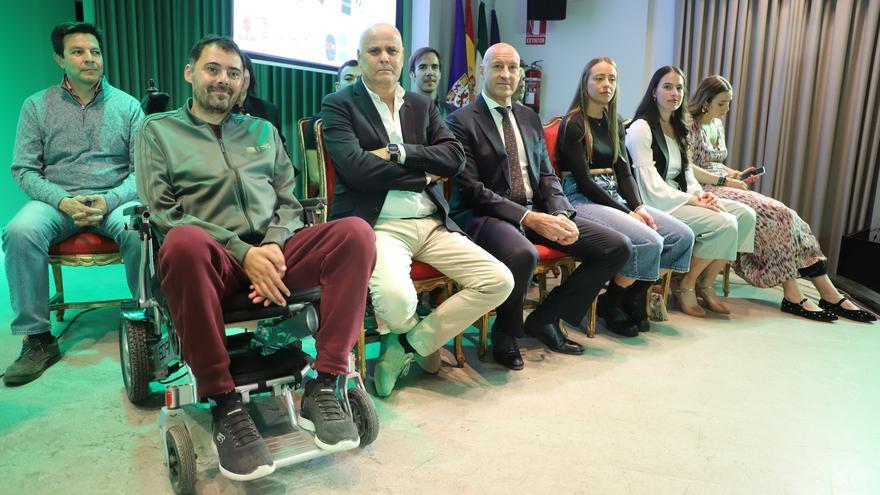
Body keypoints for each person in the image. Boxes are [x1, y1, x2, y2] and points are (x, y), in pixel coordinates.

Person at [135, 35, 377, 481]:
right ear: (189, 72)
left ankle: (325, 381)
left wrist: (272, 248)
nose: (223, 80)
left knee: (356, 234)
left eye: (233, 73)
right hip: (213, 260)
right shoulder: (158, 132)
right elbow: (164, 213)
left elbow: (289, 202)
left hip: (274, 254)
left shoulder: (263, 132)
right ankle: (225, 403)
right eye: (212, 69)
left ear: (243, 81)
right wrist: (243, 253)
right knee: (183, 242)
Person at [322, 24, 513, 396]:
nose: (384, 58)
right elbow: (357, 170)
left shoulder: (423, 105)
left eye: (392, 51)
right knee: (396, 303)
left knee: (499, 280)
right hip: (378, 226)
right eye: (374, 51)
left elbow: (454, 158)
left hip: (431, 223)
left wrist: (398, 152)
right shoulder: (339, 104)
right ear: (360, 58)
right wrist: (423, 174)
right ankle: (415, 332)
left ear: (401, 56)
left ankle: (406, 344)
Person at [447, 43, 631, 369]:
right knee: (523, 254)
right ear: (483, 72)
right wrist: (529, 218)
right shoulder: (460, 121)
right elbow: (472, 190)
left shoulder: (529, 117)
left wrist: (560, 213)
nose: (506, 74)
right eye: (498, 67)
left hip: (537, 211)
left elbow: (547, 175)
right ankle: (505, 333)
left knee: (616, 246)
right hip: (484, 215)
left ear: (520, 73)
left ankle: (546, 318)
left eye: (513, 68)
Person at [2, 22, 143, 386]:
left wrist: (109, 200)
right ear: (59, 59)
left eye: (95, 52)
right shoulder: (36, 106)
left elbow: (143, 172)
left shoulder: (128, 106)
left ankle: (151, 318)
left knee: (140, 227)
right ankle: (37, 338)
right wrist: (62, 200)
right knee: (19, 231)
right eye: (78, 52)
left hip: (112, 199)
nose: (89, 59)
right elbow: (24, 170)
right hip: (57, 201)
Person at [687, 75, 875, 322]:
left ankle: (826, 289)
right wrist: (725, 181)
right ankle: (793, 294)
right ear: (706, 101)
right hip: (704, 189)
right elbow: (688, 166)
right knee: (776, 217)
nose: (727, 109)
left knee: (788, 216)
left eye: (728, 103)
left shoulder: (716, 125)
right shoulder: (689, 125)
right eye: (722, 103)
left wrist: (737, 174)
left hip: (726, 184)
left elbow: (716, 162)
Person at [557, 57, 695, 333]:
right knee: (650, 240)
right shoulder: (574, 123)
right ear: (585, 83)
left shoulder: (616, 122)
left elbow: (624, 174)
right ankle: (614, 303)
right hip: (581, 198)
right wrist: (628, 213)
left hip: (612, 195)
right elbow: (584, 182)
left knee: (682, 236)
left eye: (612, 79)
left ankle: (628, 297)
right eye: (599, 78)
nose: (606, 84)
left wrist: (638, 207)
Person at [624, 66, 756, 317]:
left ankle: (705, 283)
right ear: (654, 91)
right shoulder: (642, 127)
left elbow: (687, 173)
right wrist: (692, 201)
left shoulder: (679, 126)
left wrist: (700, 195)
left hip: (681, 197)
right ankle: (686, 285)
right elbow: (648, 184)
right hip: (658, 202)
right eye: (667, 87)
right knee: (725, 223)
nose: (674, 93)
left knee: (745, 215)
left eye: (679, 88)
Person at [302, 59, 361, 196]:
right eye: (349, 78)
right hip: (340, 198)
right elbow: (315, 177)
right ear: (338, 86)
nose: (355, 83)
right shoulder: (319, 123)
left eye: (360, 79)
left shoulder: (373, 121)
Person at [234, 54, 284, 143]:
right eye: (233, 72)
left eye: (243, 69)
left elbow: (280, 147)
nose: (239, 75)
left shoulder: (269, 109)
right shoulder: (217, 110)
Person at [408, 47, 451, 116]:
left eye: (434, 67)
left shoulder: (452, 113)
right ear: (412, 75)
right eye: (422, 67)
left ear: (440, 74)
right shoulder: (401, 111)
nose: (430, 73)